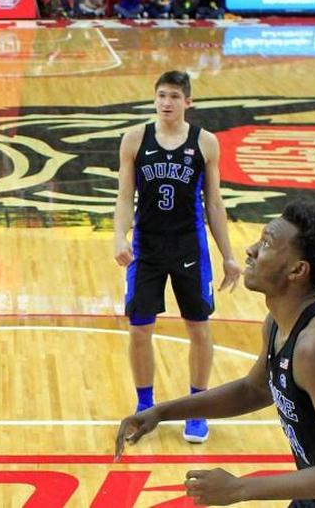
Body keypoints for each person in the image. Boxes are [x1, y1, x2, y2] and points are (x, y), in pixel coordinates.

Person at [115, 200, 315, 507]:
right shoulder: (279, 323)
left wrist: (240, 489)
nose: (251, 250)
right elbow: (253, 390)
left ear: (298, 270)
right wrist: (163, 412)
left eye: (267, 243)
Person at [113, 70, 241, 444]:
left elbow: (214, 204)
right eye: (161, 96)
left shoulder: (206, 143)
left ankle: (197, 406)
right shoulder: (135, 139)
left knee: (199, 328)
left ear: (188, 102)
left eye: (173, 97)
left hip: (189, 246)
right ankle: (145, 407)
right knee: (139, 330)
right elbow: (124, 197)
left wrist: (229, 256)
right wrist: (120, 237)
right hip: (147, 248)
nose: (166, 103)